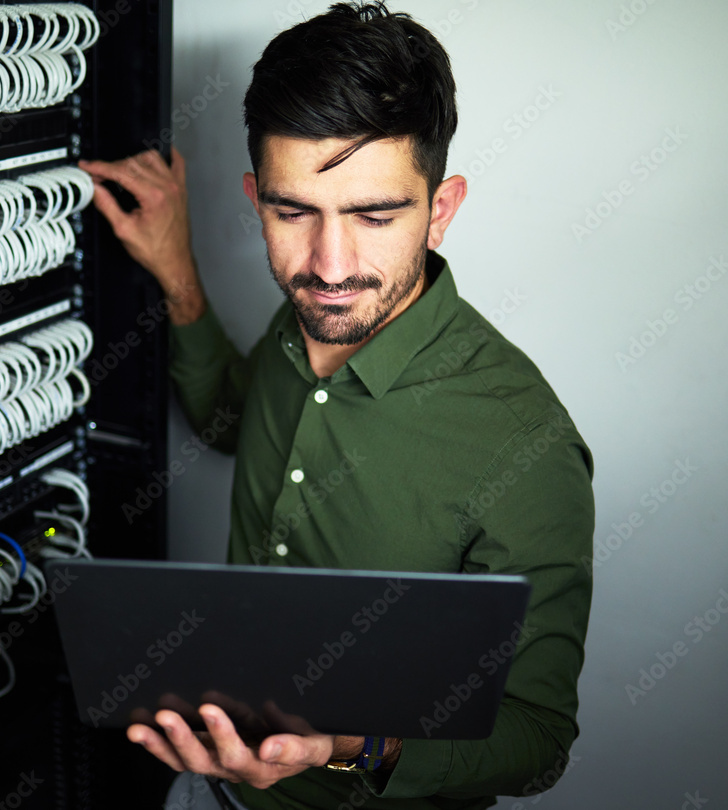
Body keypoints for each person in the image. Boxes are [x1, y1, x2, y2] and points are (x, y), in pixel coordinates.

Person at [79, 3, 594, 809]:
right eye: (293, 212)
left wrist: (347, 747)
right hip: (205, 790)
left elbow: (535, 744)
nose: (329, 264)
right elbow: (224, 425)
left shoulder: (525, 442)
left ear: (442, 209)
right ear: (256, 198)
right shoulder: (304, 322)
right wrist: (178, 269)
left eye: (374, 215)